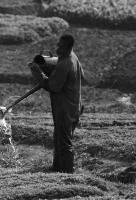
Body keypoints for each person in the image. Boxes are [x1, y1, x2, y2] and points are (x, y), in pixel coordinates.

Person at [29, 33, 84, 173]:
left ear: (68, 47)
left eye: (61, 46)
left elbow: (52, 87)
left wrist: (38, 73)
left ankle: (67, 173)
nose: (57, 48)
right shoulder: (72, 57)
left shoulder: (64, 64)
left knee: (64, 143)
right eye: (57, 44)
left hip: (64, 109)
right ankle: (57, 170)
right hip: (74, 106)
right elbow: (76, 76)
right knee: (59, 138)